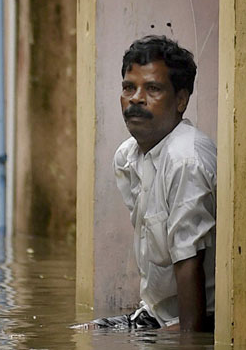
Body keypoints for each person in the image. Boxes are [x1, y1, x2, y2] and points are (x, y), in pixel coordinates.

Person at [84, 35, 217, 332]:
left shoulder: (186, 160)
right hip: (155, 316)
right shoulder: (128, 157)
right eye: (129, 87)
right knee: (77, 338)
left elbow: (189, 262)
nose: (136, 98)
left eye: (153, 89)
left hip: (196, 322)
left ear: (181, 100)